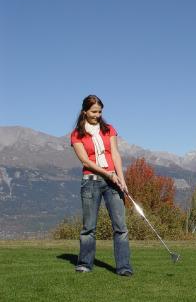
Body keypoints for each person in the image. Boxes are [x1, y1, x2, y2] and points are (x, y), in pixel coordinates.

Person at [70, 95, 133, 276]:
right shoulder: (77, 135)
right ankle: (84, 264)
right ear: (85, 112)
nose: (97, 115)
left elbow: (115, 154)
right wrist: (107, 174)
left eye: (100, 111)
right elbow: (86, 162)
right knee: (89, 228)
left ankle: (124, 268)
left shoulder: (109, 129)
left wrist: (122, 179)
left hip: (113, 183)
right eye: (94, 111)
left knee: (120, 227)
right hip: (91, 182)